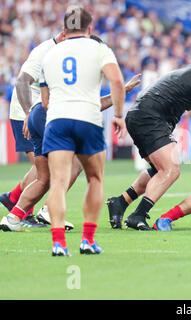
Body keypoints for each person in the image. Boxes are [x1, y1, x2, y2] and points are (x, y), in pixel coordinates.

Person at [0, 70, 140, 232]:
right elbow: (94, 104)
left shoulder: (65, 62)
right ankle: (49, 210)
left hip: (38, 112)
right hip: (52, 116)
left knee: (43, 178)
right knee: (76, 162)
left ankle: (13, 217)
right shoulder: (84, 70)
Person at [106, 60, 191, 231]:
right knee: (171, 169)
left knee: (160, 170)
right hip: (150, 118)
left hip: (140, 116)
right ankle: (138, 215)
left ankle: (120, 202)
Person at [40, 6, 125, 256]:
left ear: (64, 29)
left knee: (58, 181)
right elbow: (117, 81)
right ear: (90, 28)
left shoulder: (50, 54)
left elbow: (45, 101)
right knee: (95, 178)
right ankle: (87, 240)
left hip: (57, 120)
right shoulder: (99, 49)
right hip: (88, 118)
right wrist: (119, 115)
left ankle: (58, 243)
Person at [0, 33, 67, 227]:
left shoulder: (60, 50)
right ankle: (24, 212)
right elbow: (21, 82)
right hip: (26, 113)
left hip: (37, 111)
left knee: (42, 167)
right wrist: (28, 113)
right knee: (44, 172)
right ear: (63, 34)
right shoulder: (43, 51)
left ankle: (13, 198)